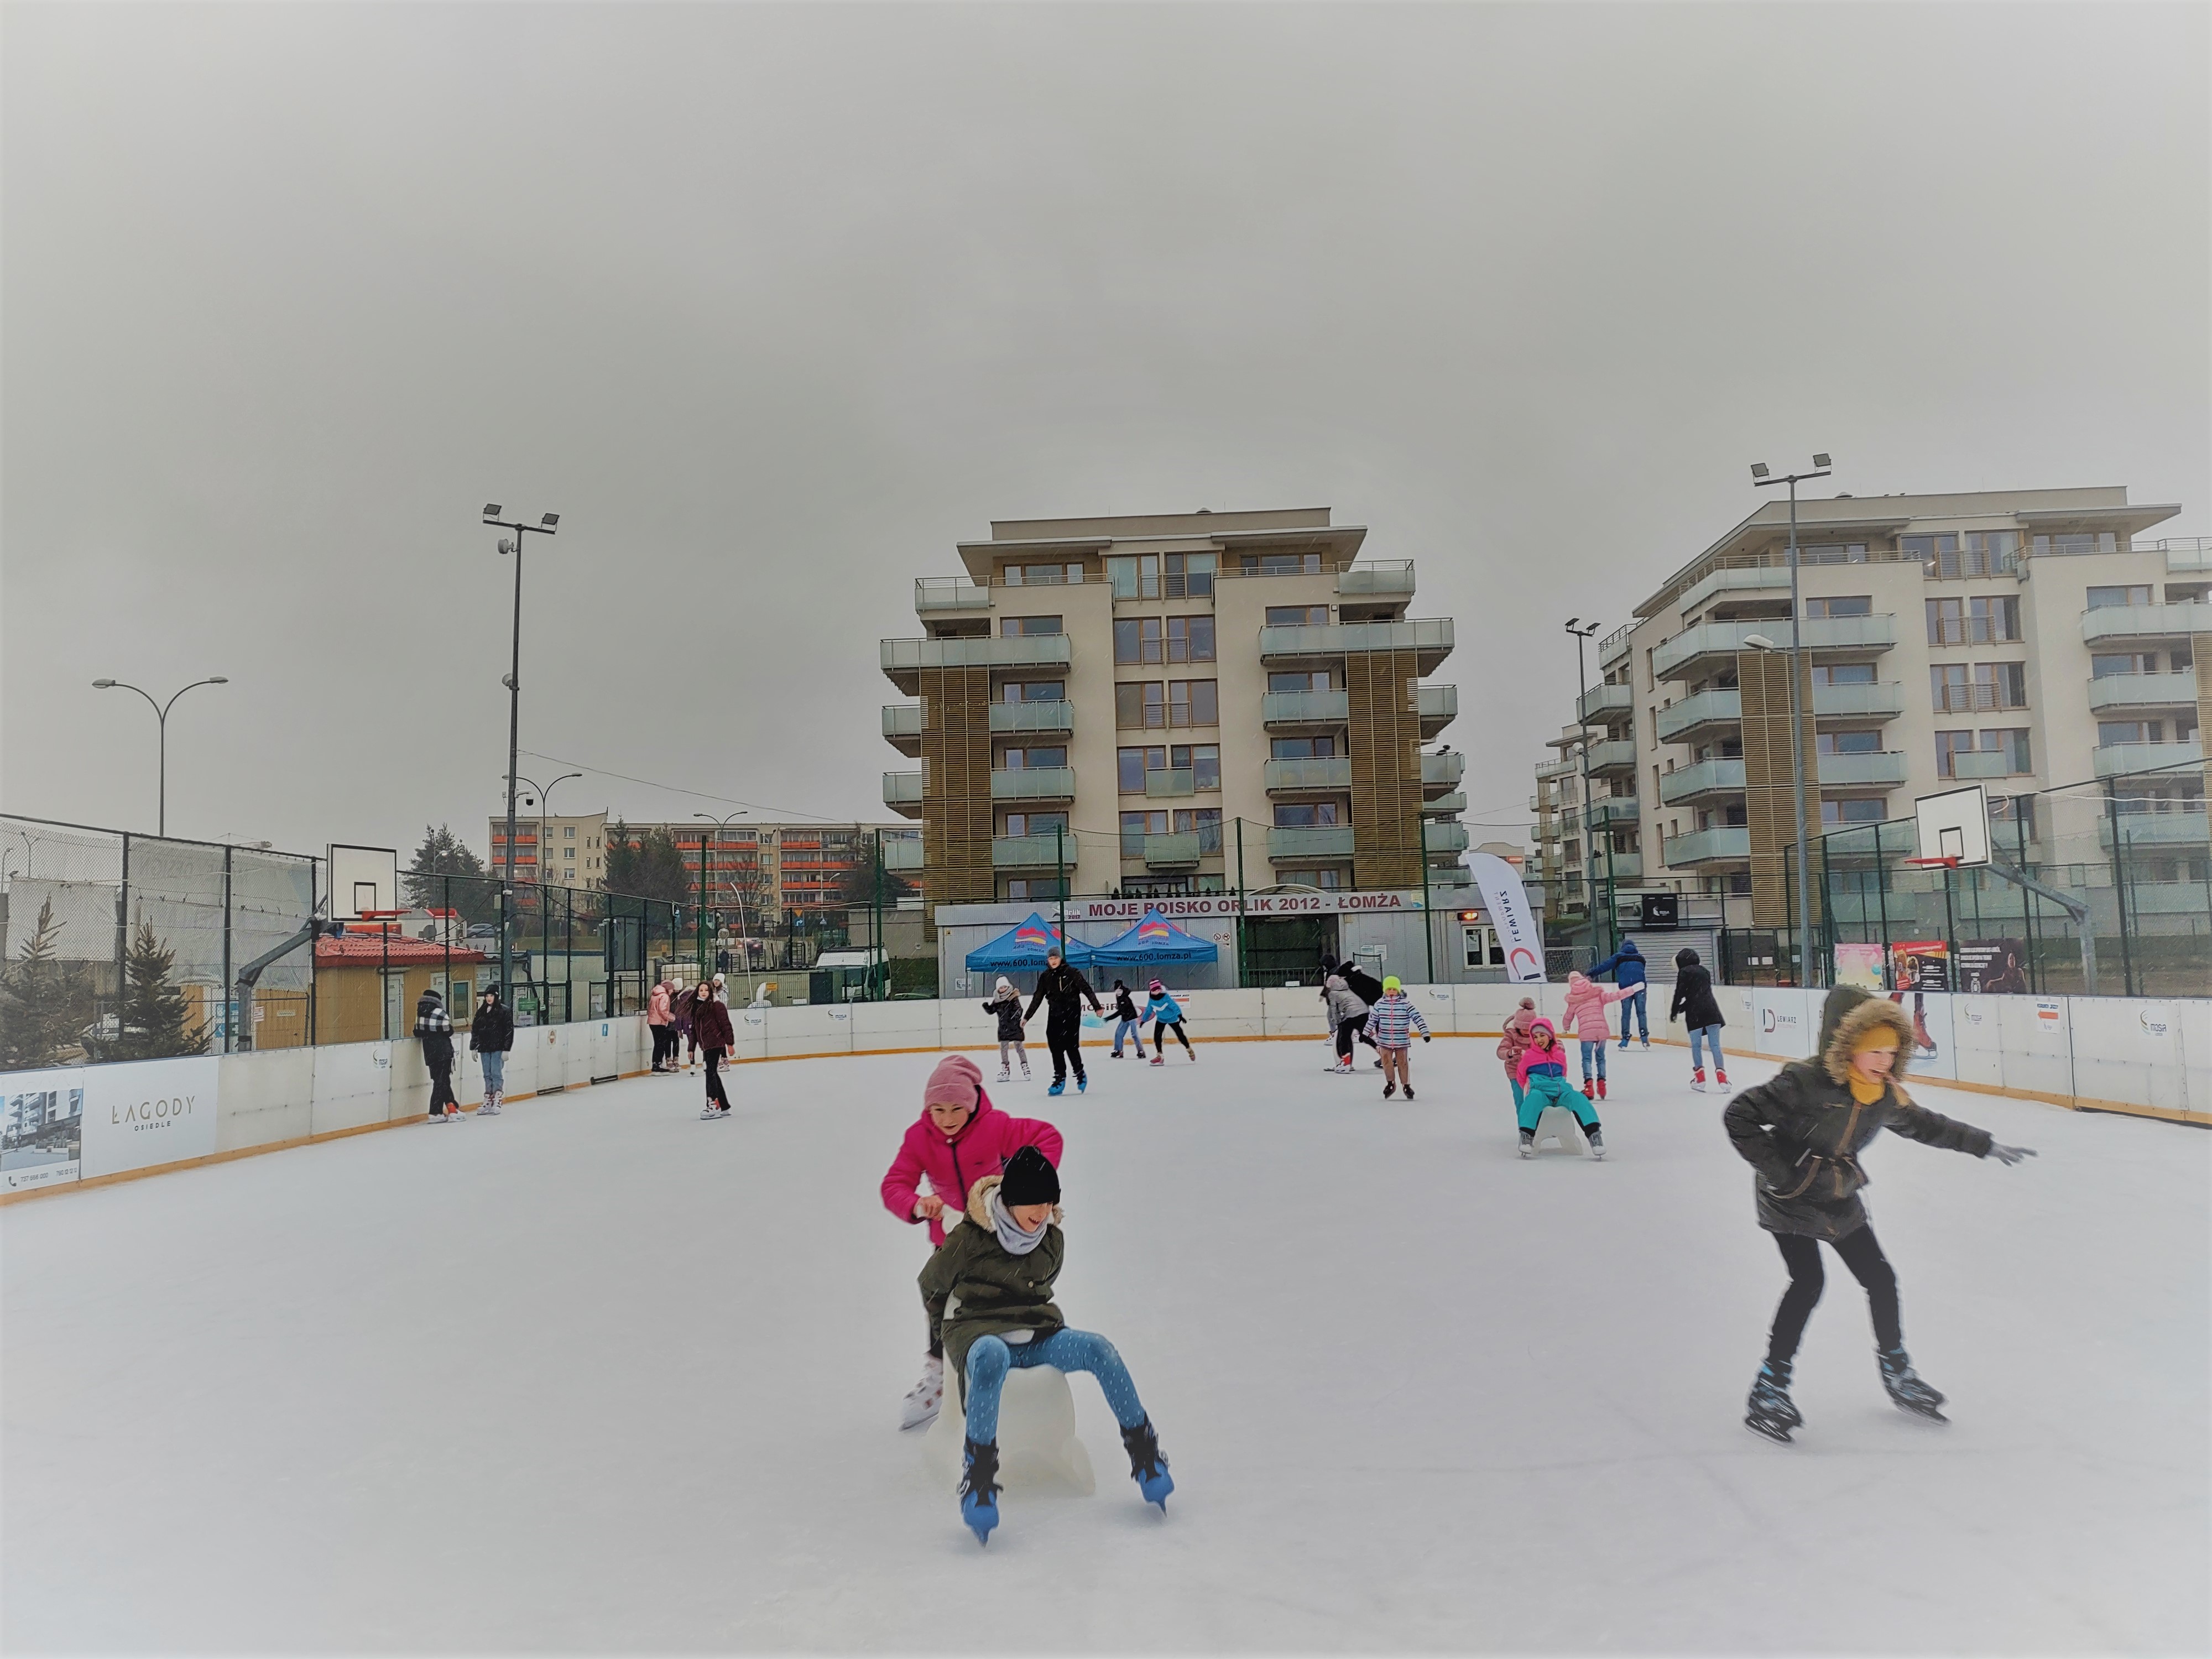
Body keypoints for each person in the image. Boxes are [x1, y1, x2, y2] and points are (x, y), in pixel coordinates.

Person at [1723, 986, 2035, 1443]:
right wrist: (1781, 1174)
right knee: (1809, 1282)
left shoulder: (1884, 1096)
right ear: (1847, 1046)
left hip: (1837, 1192)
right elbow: (1740, 1116)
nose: (1884, 1062)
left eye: (1892, 1052)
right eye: (1874, 1051)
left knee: (1880, 1278)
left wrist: (1984, 1144)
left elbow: (1928, 1126)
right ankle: (1770, 1387)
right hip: (1789, 1195)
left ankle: (1897, 1372)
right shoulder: (1804, 1082)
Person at [920, 1145, 1172, 1543]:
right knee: (991, 1357)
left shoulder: (1051, 1240)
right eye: (1032, 1203)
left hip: (1038, 1332)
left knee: (1099, 1350)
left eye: (1049, 1202)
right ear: (1010, 1200)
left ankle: (1146, 1454)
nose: (1042, 1212)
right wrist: (946, 1338)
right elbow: (931, 1283)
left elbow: (1039, 1292)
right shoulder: (969, 1239)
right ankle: (979, 1477)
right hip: (979, 1330)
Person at [880, 1054, 1063, 1431]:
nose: (946, 1118)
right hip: (952, 1240)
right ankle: (940, 1375)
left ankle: (1022, 1360)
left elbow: (1048, 1137)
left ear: (972, 1102)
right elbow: (894, 1184)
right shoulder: (919, 1138)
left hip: (1001, 1237)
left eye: (956, 1108)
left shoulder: (994, 1126)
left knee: (1009, 1295)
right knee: (939, 1299)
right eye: (938, 1109)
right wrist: (917, 1204)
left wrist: (1023, 1187)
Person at [1513, 1018, 1603, 1158]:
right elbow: (1521, 1077)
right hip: (1541, 1092)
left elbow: (1564, 1074)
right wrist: (1534, 1086)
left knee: (1579, 1097)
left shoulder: (1559, 1056)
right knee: (1533, 1098)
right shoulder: (1529, 1057)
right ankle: (1527, 1136)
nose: (1539, 1040)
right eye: (1535, 1037)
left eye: (1542, 1035)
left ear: (1550, 1036)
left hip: (1562, 1092)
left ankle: (1595, 1136)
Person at [1024, 946, 1103, 1096]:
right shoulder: (1046, 977)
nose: (1053, 961)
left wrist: (1097, 1006)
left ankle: (1079, 1073)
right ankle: (1060, 1077)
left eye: (1055, 958)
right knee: (1055, 1045)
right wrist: (1027, 1017)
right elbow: (1038, 998)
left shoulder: (1071, 972)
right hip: (1055, 1014)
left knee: (1070, 1045)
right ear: (1048, 960)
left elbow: (1086, 989)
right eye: (1051, 959)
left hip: (1072, 1013)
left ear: (1060, 959)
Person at [1559, 970, 1635, 1100]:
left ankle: (1589, 1087)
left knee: (1587, 1059)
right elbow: (1615, 996)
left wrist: (1566, 1028)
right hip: (1601, 1031)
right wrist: (1632, 990)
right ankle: (1602, 1084)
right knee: (1601, 1057)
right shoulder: (1597, 994)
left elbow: (1567, 1017)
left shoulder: (1574, 1000)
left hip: (1586, 1034)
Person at [1670, 948, 1728, 1091]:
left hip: (1695, 1013)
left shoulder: (1684, 972)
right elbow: (1699, 994)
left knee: (1696, 1046)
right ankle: (1723, 1080)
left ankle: (1700, 1079)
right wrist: (1682, 1007)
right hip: (1711, 1010)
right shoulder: (1705, 971)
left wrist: (1674, 1010)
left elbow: (1681, 993)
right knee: (1715, 1046)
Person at [1366, 974, 1430, 1098]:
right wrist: (1365, 1033)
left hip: (1401, 1040)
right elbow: (1372, 1020)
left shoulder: (1406, 1004)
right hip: (1384, 1040)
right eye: (1389, 989)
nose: (1391, 992)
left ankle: (1406, 1085)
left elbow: (1417, 1018)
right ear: (1385, 990)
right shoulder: (1380, 1004)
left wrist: (1425, 1032)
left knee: (1402, 1063)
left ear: (1398, 990)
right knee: (1386, 1062)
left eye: (1394, 989)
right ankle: (1390, 1083)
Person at [1589, 938, 1650, 1049]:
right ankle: (1644, 1037)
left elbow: (1605, 966)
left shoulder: (1619, 957)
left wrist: (1591, 974)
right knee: (1641, 1013)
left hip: (1626, 988)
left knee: (1626, 1014)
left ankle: (1625, 1039)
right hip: (1640, 987)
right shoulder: (1641, 958)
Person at [691, 977, 736, 1119]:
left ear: (711, 992)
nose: (704, 992)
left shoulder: (717, 1005)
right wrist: (691, 1048)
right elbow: (694, 1030)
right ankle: (724, 1105)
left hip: (716, 1043)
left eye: (706, 990)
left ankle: (713, 1104)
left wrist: (730, 1044)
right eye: (701, 990)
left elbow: (726, 1025)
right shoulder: (697, 1007)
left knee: (710, 1072)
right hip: (706, 1045)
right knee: (712, 1073)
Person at [415, 987, 459, 1123]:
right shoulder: (440, 1013)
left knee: (440, 1081)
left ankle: (452, 1108)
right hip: (443, 1051)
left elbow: (417, 1032)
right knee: (442, 1082)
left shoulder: (420, 1014)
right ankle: (436, 1112)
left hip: (430, 1052)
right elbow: (448, 1031)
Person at [469, 985, 513, 1115]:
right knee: (487, 1074)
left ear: (496, 997)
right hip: (484, 1047)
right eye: (487, 996)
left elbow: (509, 1031)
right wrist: (474, 1047)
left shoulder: (504, 1011)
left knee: (496, 1073)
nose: (489, 998)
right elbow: (475, 1030)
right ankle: (489, 1098)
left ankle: (497, 1099)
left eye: (492, 996)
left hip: (498, 1047)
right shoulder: (481, 1011)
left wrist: (506, 1049)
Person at [1496, 996, 1540, 1114]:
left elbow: (1552, 1044)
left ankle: (1537, 1125)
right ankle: (1524, 1128)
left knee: (1537, 1100)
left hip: (1535, 1071)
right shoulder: (1511, 1034)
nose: (1526, 1031)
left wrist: (1559, 1048)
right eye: (1523, 1028)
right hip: (1515, 1071)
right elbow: (1501, 1051)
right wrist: (1510, 1053)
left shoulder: (1539, 1034)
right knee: (1520, 1099)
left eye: (1529, 1028)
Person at [981, 977, 1031, 1082]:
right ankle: (1005, 1069)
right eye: (1001, 988)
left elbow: (1019, 1010)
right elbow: (992, 1010)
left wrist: (1014, 1017)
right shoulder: (997, 1000)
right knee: (1004, 1049)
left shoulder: (1013, 997)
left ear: (1008, 987)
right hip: (1004, 1028)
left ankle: (1025, 1066)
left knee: (1019, 1047)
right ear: (998, 989)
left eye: (1005, 987)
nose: (1003, 989)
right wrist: (987, 1007)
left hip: (1015, 1028)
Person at [1321, 972, 1370, 1074]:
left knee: (1341, 1041)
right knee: (1346, 1040)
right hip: (1352, 1017)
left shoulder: (1334, 993)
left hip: (1346, 1019)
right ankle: (1346, 1063)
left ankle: (1343, 1063)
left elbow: (1334, 1011)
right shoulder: (1347, 990)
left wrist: (1336, 1025)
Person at [1144, 979, 1193, 1064]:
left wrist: (1179, 1015)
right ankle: (1160, 1056)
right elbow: (1149, 1010)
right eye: (1155, 990)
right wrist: (1144, 1020)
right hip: (1161, 1019)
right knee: (1157, 1037)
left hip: (1172, 1018)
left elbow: (1174, 1006)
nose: (1157, 991)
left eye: (1158, 989)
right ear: (1151, 991)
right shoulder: (1151, 999)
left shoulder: (1166, 997)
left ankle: (1189, 1050)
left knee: (1180, 1036)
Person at [1108, 979, 1143, 1059]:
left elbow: (1122, 1009)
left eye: (1120, 990)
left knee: (1134, 1034)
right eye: (1117, 990)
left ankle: (1140, 1051)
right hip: (1125, 1018)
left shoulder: (1125, 998)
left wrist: (1111, 1017)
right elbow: (1121, 1009)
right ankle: (1119, 1051)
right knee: (1118, 1034)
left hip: (1131, 1018)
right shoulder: (1118, 997)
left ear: (1123, 990)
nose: (1118, 992)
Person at [647, 974, 675, 1072]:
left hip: (652, 1022)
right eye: (672, 989)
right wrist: (672, 1018)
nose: (672, 991)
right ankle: (657, 1064)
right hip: (659, 1022)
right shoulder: (665, 996)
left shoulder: (655, 995)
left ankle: (655, 1063)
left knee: (658, 1043)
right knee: (661, 1044)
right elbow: (663, 1011)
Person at [671, 978, 697, 1072]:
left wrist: (679, 1029)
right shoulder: (698, 998)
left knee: (691, 1046)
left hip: (688, 1025)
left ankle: (693, 1064)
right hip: (697, 1024)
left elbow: (678, 1015)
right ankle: (705, 1062)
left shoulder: (680, 999)